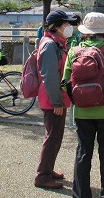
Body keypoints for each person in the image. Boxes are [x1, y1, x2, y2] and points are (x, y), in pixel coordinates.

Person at [62, 12, 104, 198]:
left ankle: (81, 193)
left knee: (83, 152)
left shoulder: (73, 52)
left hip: (83, 111)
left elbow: (65, 81)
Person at [34, 10, 74, 190]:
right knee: (52, 137)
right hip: (52, 99)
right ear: (56, 26)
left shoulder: (55, 42)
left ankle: (48, 170)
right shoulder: (50, 45)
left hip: (55, 97)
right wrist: (57, 102)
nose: (68, 27)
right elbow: (49, 76)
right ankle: (42, 175)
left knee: (56, 136)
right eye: (65, 24)